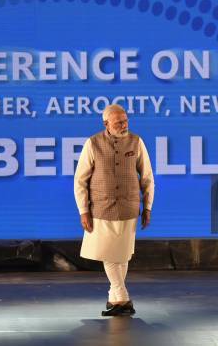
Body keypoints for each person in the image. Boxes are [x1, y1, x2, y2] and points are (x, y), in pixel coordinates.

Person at [74, 104, 155, 316]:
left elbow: (147, 178)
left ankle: (114, 299)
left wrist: (147, 207)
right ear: (106, 124)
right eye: (119, 122)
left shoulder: (137, 142)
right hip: (101, 208)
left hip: (129, 207)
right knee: (109, 253)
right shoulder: (92, 143)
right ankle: (123, 297)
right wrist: (83, 210)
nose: (124, 124)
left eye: (125, 120)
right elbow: (80, 180)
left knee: (122, 255)